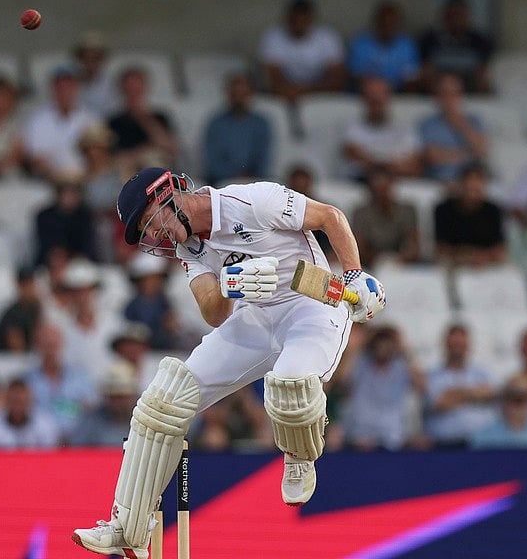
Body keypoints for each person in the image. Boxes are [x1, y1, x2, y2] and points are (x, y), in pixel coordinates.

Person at [71, 166, 386, 557]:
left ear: (171, 194)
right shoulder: (190, 248)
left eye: (150, 222)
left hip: (312, 308)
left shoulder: (251, 201)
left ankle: (300, 457)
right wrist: (228, 284)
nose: (155, 236)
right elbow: (213, 312)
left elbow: (329, 217)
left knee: (290, 386)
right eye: (146, 235)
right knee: (164, 400)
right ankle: (128, 525)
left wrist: (354, 275)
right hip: (252, 319)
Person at [331, 325, 424, 451]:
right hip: (360, 438)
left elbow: (421, 386)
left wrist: (404, 349)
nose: (383, 346)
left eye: (388, 341)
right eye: (380, 340)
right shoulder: (361, 363)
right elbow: (342, 381)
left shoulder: (401, 366)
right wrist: (360, 345)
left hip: (392, 439)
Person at [258, 0, 345, 103]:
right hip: (284, 96)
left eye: (303, 18)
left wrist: (308, 91)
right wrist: (291, 92)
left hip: (320, 95)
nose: (299, 23)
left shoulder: (328, 37)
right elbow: (272, 79)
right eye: (295, 18)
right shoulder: (273, 37)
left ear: (311, 19)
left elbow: (336, 80)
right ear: (288, 18)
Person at [423, 324, 497, 448]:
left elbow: (493, 394)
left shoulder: (483, 373)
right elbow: (439, 403)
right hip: (442, 445)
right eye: (454, 344)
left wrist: (454, 394)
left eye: (461, 344)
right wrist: (474, 394)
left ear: (468, 345)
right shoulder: (432, 375)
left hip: (479, 445)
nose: (457, 348)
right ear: (445, 344)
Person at [23, 66, 101, 180]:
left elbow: (98, 155)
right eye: (60, 88)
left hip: (86, 180)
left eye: (69, 87)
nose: (65, 92)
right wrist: (55, 177)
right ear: (53, 89)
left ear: (76, 89)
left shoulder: (91, 118)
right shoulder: (37, 120)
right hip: (47, 180)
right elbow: (34, 158)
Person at [23, 322, 98, 439]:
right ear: (37, 346)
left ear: (61, 344)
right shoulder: (27, 380)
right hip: (41, 442)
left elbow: (93, 408)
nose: (50, 350)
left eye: (53, 345)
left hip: (78, 441)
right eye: (46, 345)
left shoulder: (80, 378)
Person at [341, 76, 422, 180]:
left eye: (380, 97)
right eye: (371, 97)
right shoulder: (350, 126)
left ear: (388, 98)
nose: (376, 101)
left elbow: (414, 166)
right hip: (359, 182)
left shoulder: (405, 129)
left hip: (396, 184)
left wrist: (381, 167)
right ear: (364, 99)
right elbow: (355, 155)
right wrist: (391, 166)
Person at [202, 73, 272, 185]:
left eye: (243, 94)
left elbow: (264, 157)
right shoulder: (216, 123)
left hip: (255, 181)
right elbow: (213, 160)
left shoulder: (261, 124)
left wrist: (250, 176)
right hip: (222, 182)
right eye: (235, 94)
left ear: (251, 94)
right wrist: (233, 176)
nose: (239, 98)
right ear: (228, 94)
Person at [433, 162, 506, 267]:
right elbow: (440, 249)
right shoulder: (444, 210)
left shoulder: (493, 211)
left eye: (479, 182)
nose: (474, 186)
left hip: (486, 267)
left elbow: (499, 249)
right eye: (470, 183)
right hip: (453, 266)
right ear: (461, 184)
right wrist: (468, 256)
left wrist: (483, 257)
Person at [418, 0, 493, 94]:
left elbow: (483, 70)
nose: (456, 20)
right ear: (445, 16)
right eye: (453, 15)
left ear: (467, 16)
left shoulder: (480, 41)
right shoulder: (429, 39)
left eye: (460, 15)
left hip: (470, 89)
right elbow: (425, 68)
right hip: (438, 90)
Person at [419, 74, 487, 182]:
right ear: (437, 96)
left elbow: (482, 150)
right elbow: (432, 157)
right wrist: (469, 155)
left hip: (469, 184)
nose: (449, 98)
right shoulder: (427, 124)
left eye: (454, 93)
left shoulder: (474, 120)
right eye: (444, 93)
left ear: (461, 95)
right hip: (439, 182)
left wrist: (461, 124)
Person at [107, 67, 178, 172]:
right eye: (129, 89)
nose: (133, 93)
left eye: (137, 89)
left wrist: (143, 116)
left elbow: (171, 147)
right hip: (126, 171)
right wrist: (141, 153)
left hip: (155, 170)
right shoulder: (114, 122)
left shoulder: (160, 117)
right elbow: (112, 156)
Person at [350, 168, 420, 267]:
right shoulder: (361, 213)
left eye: (384, 189)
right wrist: (379, 260)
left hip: (403, 264)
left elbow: (413, 244)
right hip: (369, 265)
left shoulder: (407, 210)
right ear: (370, 190)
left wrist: (399, 259)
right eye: (377, 190)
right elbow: (358, 247)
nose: (381, 194)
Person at [347, 1, 420, 93]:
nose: (387, 27)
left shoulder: (407, 46)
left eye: (392, 23)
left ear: (398, 24)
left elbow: (411, 79)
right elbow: (356, 78)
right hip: (369, 95)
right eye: (384, 22)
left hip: (398, 97)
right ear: (376, 22)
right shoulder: (361, 44)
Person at [470, 373, 527, 449]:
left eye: (523, 399)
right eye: (513, 398)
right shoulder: (484, 438)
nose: (518, 405)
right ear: (504, 401)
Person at [69, 361, 140, 446]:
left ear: (133, 396)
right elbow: (76, 451)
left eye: (121, 397)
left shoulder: (143, 422)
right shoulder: (91, 421)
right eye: (113, 397)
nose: (117, 403)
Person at [0, 378, 60, 448]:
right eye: (14, 401)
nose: (18, 406)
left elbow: (50, 456)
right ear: (6, 400)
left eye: (21, 401)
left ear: (30, 400)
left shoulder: (45, 425)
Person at [123, 252, 180, 351]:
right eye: (150, 279)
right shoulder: (131, 307)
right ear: (139, 281)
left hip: (166, 354)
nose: (154, 283)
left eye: (158, 278)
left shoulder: (167, 303)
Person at [34, 182, 99, 268]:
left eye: (74, 192)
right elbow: (45, 244)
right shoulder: (44, 216)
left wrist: (71, 259)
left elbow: (87, 246)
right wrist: (57, 258)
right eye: (66, 193)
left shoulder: (86, 216)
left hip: (78, 263)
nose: (70, 197)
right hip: (48, 264)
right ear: (58, 194)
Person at [0, 268, 42, 353]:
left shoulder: (36, 307)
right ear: (18, 285)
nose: (27, 288)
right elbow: (16, 348)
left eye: (30, 283)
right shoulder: (13, 312)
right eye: (24, 284)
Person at [73, 30, 118, 118]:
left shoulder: (112, 85)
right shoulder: (71, 82)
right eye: (86, 57)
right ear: (79, 59)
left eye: (96, 58)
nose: (90, 62)